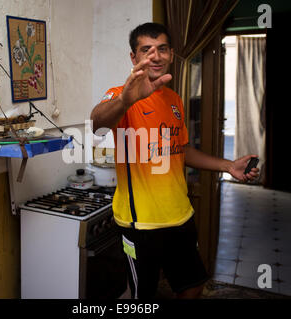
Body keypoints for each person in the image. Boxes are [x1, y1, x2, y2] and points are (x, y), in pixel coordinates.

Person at [90, 22, 259, 299]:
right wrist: (125, 100)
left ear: (170, 54)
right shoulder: (120, 94)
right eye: (146, 50)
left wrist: (229, 166)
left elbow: (182, 151)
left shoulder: (173, 99)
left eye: (162, 49)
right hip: (141, 224)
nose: (155, 56)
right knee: (141, 296)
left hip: (180, 215)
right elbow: (96, 124)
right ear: (134, 58)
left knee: (192, 285)